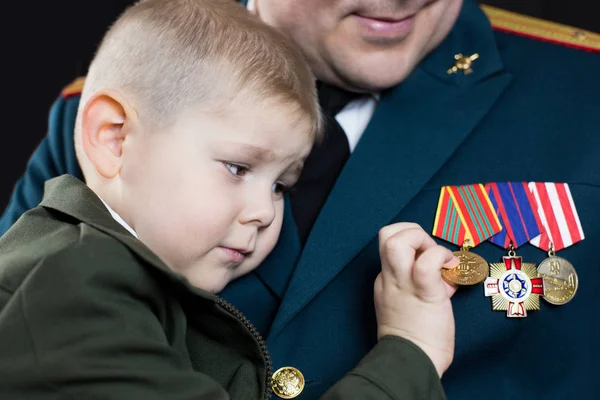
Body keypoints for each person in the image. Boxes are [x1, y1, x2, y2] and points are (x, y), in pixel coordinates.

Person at [1, 0, 599, 398]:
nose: (262, 211)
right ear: (111, 137)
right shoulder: (126, 103)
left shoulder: (583, 91)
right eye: (237, 168)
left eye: (281, 184)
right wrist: (408, 357)